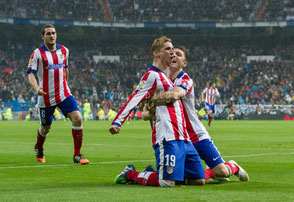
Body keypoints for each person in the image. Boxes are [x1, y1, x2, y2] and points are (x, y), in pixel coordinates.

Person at [109, 36, 205, 187]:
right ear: (156, 53)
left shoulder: (166, 78)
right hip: (167, 136)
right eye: (168, 49)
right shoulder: (151, 75)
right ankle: (130, 174)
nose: (172, 52)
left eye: (173, 49)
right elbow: (135, 98)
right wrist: (117, 121)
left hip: (183, 137)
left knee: (198, 180)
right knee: (167, 183)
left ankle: (153, 173)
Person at [144, 46, 249, 182]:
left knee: (222, 172)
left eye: (179, 54)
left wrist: (154, 99)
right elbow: (145, 113)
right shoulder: (159, 81)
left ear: (184, 63)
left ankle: (232, 166)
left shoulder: (185, 79)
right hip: (176, 136)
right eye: (172, 53)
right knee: (188, 179)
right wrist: (149, 111)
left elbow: (176, 94)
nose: (174, 56)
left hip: (196, 135)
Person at [27, 24, 89, 165]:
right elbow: (31, 74)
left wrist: (65, 83)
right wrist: (36, 88)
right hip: (45, 96)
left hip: (63, 93)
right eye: (48, 33)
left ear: (56, 35)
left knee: (78, 118)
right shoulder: (37, 53)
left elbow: (65, 68)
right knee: (45, 128)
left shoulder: (64, 51)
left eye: (53, 33)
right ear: (43, 36)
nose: (51, 36)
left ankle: (77, 155)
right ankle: (39, 147)